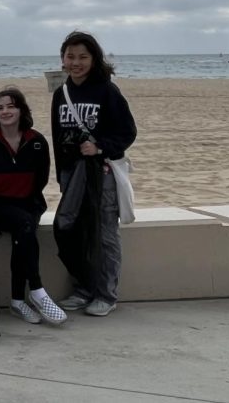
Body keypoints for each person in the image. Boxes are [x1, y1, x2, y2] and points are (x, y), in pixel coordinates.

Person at [51, 31, 137, 317]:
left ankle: (106, 294)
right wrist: (62, 174)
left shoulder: (106, 90)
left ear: (93, 59)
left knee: (104, 235)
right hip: (72, 176)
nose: (76, 62)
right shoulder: (61, 93)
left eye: (83, 57)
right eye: (70, 56)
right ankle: (83, 289)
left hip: (103, 175)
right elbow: (57, 135)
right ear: (63, 59)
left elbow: (127, 132)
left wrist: (100, 146)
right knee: (73, 232)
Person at [0, 87, 65, 325]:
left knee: (23, 233)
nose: (5, 111)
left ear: (21, 110)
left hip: (29, 203)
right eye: (0, 107)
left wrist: (26, 202)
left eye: (11, 106)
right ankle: (37, 290)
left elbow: (41, 179)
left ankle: (17, 301)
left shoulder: (37, 142)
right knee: (24, 227)